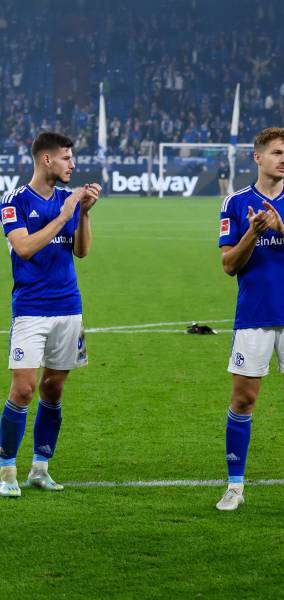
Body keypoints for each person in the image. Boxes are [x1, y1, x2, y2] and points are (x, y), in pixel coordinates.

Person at [216, 127, 284, 511]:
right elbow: (229, 264)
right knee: (243, 399)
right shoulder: (235, 203)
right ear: (257, 157)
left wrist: (282, 229)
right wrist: (253, 232)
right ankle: (234, 487)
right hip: (253, 317)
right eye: (277, 152)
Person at [0, 132, 101, 498]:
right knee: (24, 389)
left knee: (53, 389)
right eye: (66, 158)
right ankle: (6, 470)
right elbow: (24, 247)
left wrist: (83, 213)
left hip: (68, 307)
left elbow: (82, 251)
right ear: (47, 160)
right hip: (30, 310)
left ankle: (40, 468)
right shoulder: (14, 200)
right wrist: (64, 214)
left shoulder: (67, 200)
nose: (72, 165)